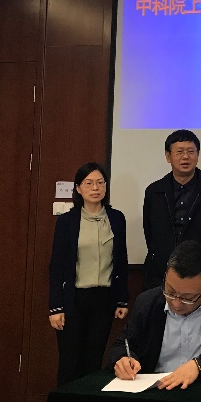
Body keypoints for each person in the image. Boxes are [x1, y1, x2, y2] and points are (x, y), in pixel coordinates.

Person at [108, 240, 201, 389]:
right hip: (156, 390)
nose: (176, 304)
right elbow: (122, 344)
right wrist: (123, 359)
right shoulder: (147, 302)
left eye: (187, 298)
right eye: (170, 292)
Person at [48, 162, 128, 386]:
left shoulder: (116, 218)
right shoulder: (67, 221)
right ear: (78, 188)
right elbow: (56, 266)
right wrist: (55, 307)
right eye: (89, 183)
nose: (95, 188)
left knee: (93, 362)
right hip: (74, 299)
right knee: (69, 362)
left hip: (104, 299)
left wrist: (122, 299)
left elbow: (121, 260)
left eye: (100, 183)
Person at [142, 129, 201, 290]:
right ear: (168, 156)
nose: (185, 157)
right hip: (161, 274)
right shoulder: (154, 192)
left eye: (191, 151)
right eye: (179, 152)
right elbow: (150, 233)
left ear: (198, 155)